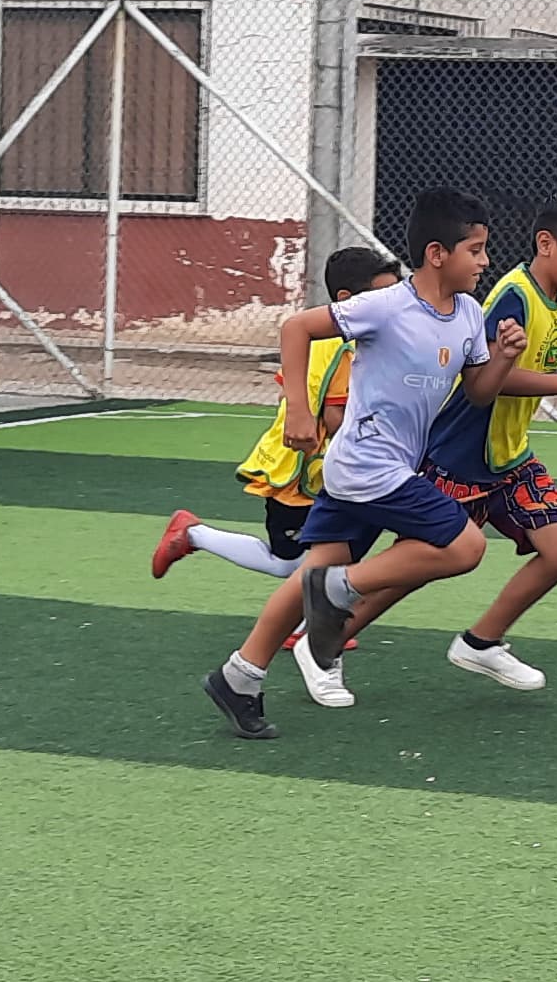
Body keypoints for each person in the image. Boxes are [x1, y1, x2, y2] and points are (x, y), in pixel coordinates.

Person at [202, 191, 557, 738]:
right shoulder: (386, 305)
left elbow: (478, 393)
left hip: (379, 468)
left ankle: (239, 676)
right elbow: (296, 329)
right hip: (368, 466)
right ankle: (338, 590)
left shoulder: (468, 314)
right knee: (465, 547)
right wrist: (301, 413)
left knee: (311, 573)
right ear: (437, 254)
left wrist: (501, 358)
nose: (484, 262)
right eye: (475, 250)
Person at [152, 245, 400, 705]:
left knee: (325, 553)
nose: (393, 306)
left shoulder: (324, 337)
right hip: (300, 474)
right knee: (293, 562)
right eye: (383, 296)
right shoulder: (345, 346)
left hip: (317, 470)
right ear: (347, 300)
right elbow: (334, 417)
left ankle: (309, 622)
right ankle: (195, 536)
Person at [424, 197, 557, 687]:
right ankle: (324, 634)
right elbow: (488, 379)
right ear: (546, 243)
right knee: (420, 564)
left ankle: (480, 643)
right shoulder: (513, 296)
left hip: (509, 455)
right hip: (462, 455)